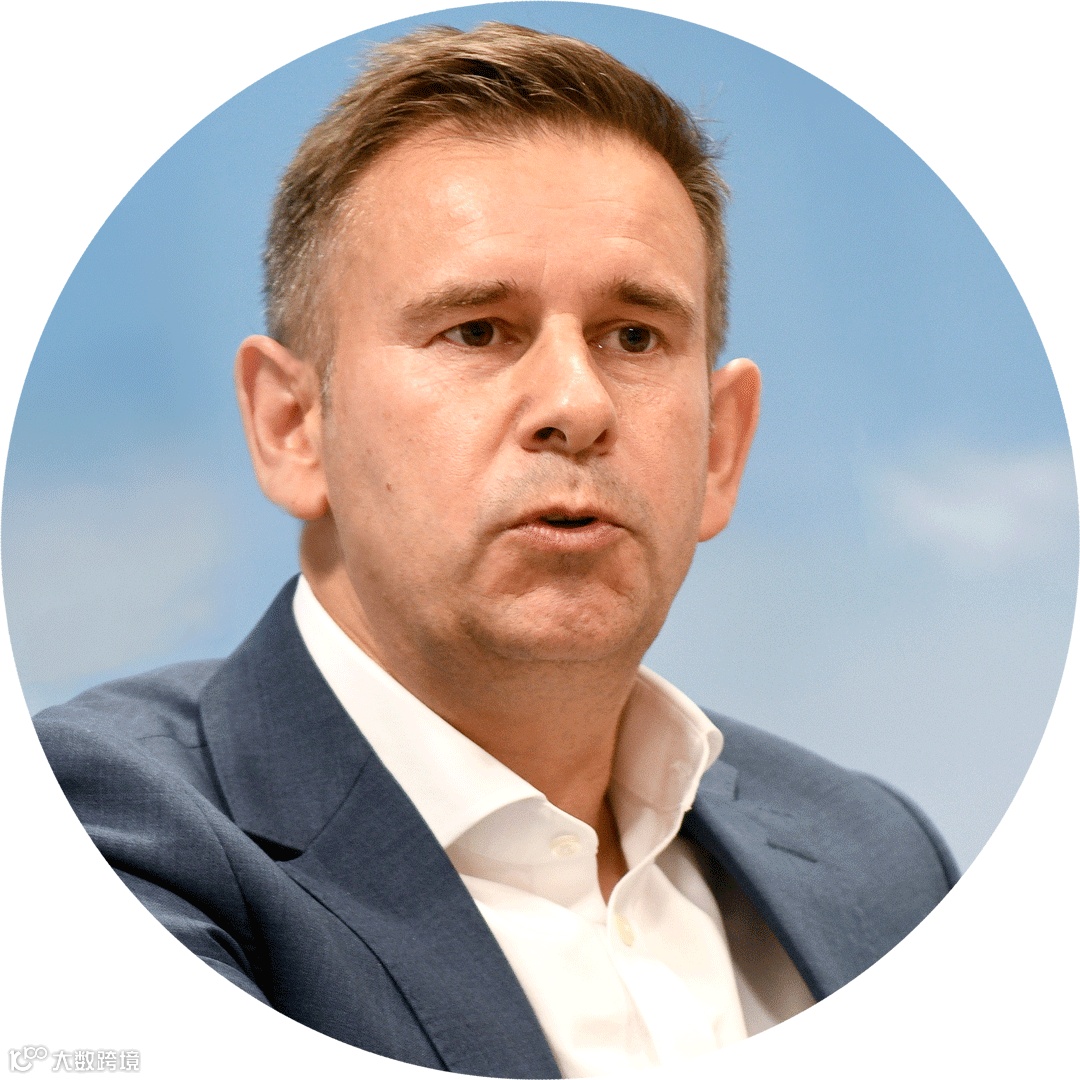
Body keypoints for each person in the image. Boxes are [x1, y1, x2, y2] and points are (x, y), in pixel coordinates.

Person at [35, 22, 958, 1078]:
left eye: (634, 336)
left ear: (720, 448)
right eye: (477, 330)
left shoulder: (883, 860)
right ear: (293, 426)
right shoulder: (92, 834)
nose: (577, 404)